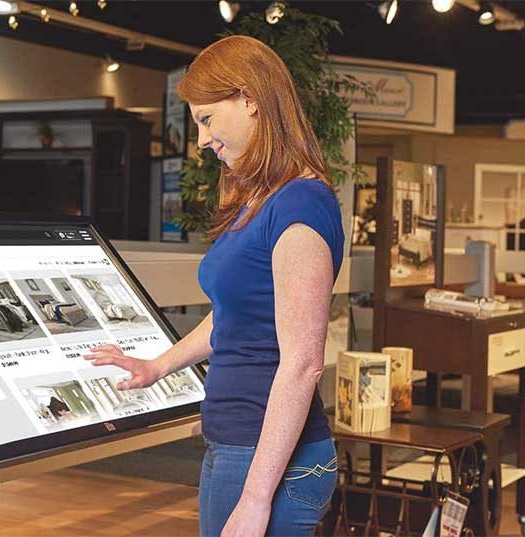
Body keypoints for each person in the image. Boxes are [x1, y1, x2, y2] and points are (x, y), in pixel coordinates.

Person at [85, 35, 344, 537]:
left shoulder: (300, 205)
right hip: (238, 447)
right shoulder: (260, 197)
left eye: (206, 118)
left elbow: (303, 363)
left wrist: (254, 498)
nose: (200, 138)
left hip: (267, 461)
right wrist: (157, 366)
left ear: (250, 99)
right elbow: (237, 313)